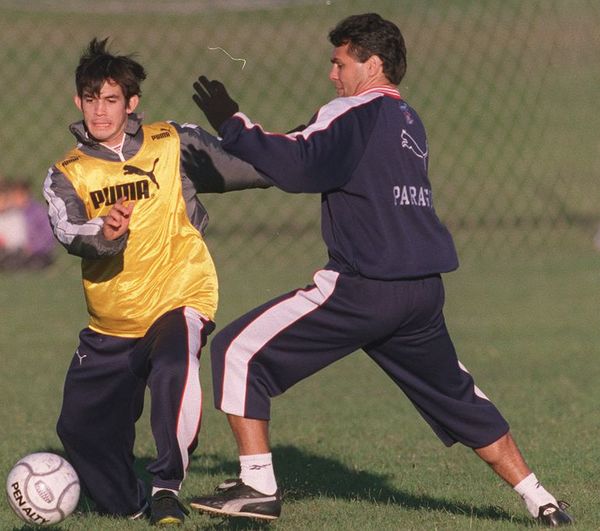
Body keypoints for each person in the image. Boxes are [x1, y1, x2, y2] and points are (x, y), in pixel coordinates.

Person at [188, 13, 573, 527]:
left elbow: (300, 165)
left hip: (363, 288)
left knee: (238, 352)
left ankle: (257, 485)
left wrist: (233, 123)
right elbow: (311, 147)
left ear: (371, 63)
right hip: (420, 294)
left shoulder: (352, 110)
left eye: (339, 61)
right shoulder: (408, 119)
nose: (332, 73)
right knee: (458, 395)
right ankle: (540, 498)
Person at [43, 37, 269, 526]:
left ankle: (166, 486)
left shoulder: (172, 142)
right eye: (90, 98)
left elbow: (250, 166)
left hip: (179, 293)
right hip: (112, 321)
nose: (100, 110)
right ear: (77, 101)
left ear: (131, 103)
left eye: (110, 99)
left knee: (174, 365)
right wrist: (103, 231)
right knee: (79, 429)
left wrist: (308, 150)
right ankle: (130, 503)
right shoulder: (67, 174)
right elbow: (65, 228)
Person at [0, 180, 55, 270]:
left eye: (19, 196)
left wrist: (33, 247)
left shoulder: (38, 211)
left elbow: (47, 235)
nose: (15, 199)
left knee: (35, 262)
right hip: (13, 251)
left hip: (37, 252)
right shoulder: (13, 212)